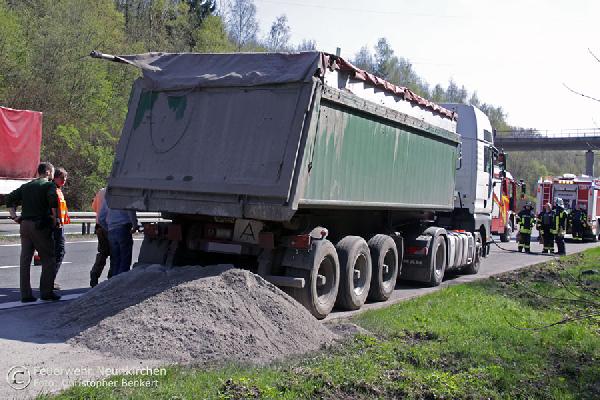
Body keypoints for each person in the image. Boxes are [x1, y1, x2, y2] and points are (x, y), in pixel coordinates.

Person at [5, 162, 61, 302]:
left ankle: (26, 294)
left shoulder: (27, 186)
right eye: (52, 172)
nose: (53, 175)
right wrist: (56, 219)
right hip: (40, 225)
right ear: (47, 172)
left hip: (24, 225)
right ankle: (46, 292)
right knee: (48, 258)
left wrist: (14, 216)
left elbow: (9, 198)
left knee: (25, 259)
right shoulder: (48, 185)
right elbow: (53, 201)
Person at [99, 201, 138, 277]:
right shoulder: (125, 197)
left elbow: (101, 218)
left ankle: (114, 280)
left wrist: (108, 228)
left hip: (111, 230)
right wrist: (135, 225)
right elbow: (131, 211)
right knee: (124, 259)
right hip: (123, 228)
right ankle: (122, 280)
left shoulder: (107, 198)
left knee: (115, 260)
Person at [52, 167, 70, 289]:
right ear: (55, 177)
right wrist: (57, 220)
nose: (64, 180)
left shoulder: (58, 189)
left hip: (59, 225)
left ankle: (49, 280)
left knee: (57, 253)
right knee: (59, 252)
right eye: (62, 177)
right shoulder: (53, 190)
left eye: (65, 177)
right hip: (56, 225)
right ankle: (50, 280)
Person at [89, 188, 111, 287]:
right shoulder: (117, 192)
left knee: (102, 253)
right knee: (115, 254)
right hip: (112, 225)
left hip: (100, 226)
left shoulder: (101, 191)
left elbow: (94, 207)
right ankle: (112, 277)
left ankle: (94, 275)